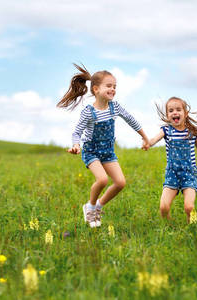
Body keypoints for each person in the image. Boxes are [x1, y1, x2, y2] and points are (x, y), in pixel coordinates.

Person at [57, 64, 150, 228]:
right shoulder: (88, 111)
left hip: (108, 152)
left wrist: (144, 137)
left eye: (115, 86)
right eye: (109, 86)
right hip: (91, 151)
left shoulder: (115, 107)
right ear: (96, 89)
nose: (113, 89)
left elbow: (131, 120)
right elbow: (76, 132)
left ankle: (98, 205)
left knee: (120, 183)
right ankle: (90, 208)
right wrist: (76, 145)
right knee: (102, 179)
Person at [145, 97, 197, 222]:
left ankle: (192, 226)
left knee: (189, 207)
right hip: (172, 173)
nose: (175, 113)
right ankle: (168, 225)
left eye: (178, 109)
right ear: (167, 115)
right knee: (163, 207)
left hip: (189, 173)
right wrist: (148, 143)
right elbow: (154, 139)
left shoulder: (192, 132)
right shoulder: (166, 130)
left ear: (185, 113)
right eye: (171, 111)